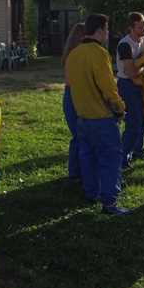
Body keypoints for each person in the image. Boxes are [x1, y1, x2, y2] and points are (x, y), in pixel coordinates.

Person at [66, 14, 130, 216]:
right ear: (100, 30)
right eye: (107, 29)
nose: (108, 33)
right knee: (110, 160)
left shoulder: (73, 54)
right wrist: (120, 108)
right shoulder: (99, 53)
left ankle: (91, 193)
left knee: (88, 158)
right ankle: (109, 201)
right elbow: (108, 88)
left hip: (82, 117)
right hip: (102, 118)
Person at [116, 12, 144, 167]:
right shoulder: (124, 45)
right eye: (140, 26)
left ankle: (138, 149)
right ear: (131, 28)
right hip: (127, 85)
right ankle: (122, 157)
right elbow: (130, 71)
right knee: (133, 122)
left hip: (142, 83)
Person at [62, 22, 86, 180]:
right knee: (80, 136)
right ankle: (76, 172)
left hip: (72, 95)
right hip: (75, 96)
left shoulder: (71, 53)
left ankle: (75, 172)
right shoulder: (76, 54)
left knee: (79, 136)